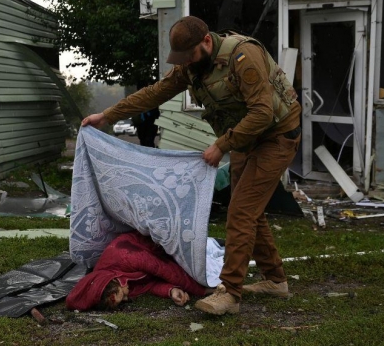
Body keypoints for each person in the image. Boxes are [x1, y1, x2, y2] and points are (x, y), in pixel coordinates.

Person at [81, 16, 301, 315]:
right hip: (245, 139)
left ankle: (230, 293)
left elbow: (262, 113)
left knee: (241, 212)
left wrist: (221, 145)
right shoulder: (192, 65)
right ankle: (275, 280)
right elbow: (155, 93)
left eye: (191, 56)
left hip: (276, 135)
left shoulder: (242, 56)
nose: (186, 63)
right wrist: (107, 116)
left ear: (207, 42)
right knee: (247, 209)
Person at [65, 231, 208, 311]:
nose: (128, 297)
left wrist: (203, 290)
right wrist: (170, 290)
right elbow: (148, 285)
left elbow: (167, 270)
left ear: (116, 284)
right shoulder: (117, 281)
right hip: (164, 256)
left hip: (164, 241)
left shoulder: (126, 257)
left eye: (123, 296)